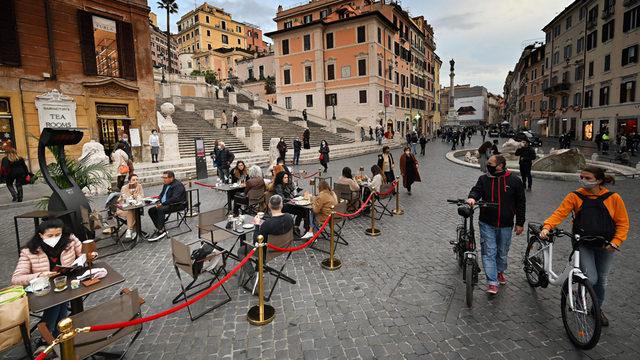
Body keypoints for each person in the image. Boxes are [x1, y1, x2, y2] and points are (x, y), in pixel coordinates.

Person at [539, 166, 629, 326]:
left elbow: (623, 223)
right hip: (583, 243)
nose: (583, 180)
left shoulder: (614, 198)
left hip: (606, 244)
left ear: (599, 180)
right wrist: (547, 226)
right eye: (582, 177)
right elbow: (560, 213)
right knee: (591, 278)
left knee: (601, 280)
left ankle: (596, 308)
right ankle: (580, 293)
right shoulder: (575, 196)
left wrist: (616, 242)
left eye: (587, 178)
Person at [11, 218, 96, 337]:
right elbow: (16, 278)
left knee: (61, 299)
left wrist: (89, 256)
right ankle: (52, 335)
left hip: (67, 281)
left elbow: (82, 253)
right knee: (58, 302)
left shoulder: (70, 240)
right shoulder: (29, 251)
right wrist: (40, 275)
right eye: (50, 235)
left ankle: (52, 335)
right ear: (41, 235)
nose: (54, 238)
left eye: (58, 234)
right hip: (45, 288)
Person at [467, 155, 526, 294]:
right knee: (489, 251)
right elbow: (477, 190)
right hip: (487, 222)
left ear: (500, 165)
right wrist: (472, 197)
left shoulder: (514, 181)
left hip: (506, 224)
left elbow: (521, 203)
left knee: (502, 252)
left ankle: (499, 271)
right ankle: (492, 282)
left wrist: (520, 223)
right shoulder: (484, 179)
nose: (488, 166)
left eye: (491, 164)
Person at [238, 194, 295, 282]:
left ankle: (253, 276)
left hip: (267, 252)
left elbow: (256, 242)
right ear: (282, 205)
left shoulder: (267, 224)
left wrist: (257, 225)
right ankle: (259, 267)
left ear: (269, 206)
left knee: (241, 251)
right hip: (284, 247)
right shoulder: (289, 217)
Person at [147, 171, 186, 242]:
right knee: (151, 210)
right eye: (163, 177)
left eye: (165, 178)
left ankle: (160, 230)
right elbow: (161, 194)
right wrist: (156, 200)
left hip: (177, 205)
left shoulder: (178, 185)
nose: (164, 179)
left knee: (160, 209)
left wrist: (162, 204)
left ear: (171, 178)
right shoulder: (166, 184)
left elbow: (175, 198)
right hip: (165, 204)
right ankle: (160, 227)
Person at [274, 171, 311, 238]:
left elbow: (293, 194)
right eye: (285, 177)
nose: (287, 179)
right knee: (302, 211)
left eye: (287, 177)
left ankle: (302, 227)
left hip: (291, 203)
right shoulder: (278, 186)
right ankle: (300, 227)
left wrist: (300, 197)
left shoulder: (287, 184)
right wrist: (292, 200)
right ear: (281, 178)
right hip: (283, 205)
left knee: (304, 209)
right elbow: (282, 198)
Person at [116, 174, 144, 239]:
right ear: (129, 181)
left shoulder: (139, 186)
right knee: (131, 211)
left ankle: (130, 230)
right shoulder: (124, 188)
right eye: (133, 180)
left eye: (137, 179)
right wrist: (133, 196)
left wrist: (137, 196)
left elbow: (142, 196)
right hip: (122, 210)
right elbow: (126, 198)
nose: (135, 181)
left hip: (135, 208)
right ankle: (134, 230)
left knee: (132, 210)